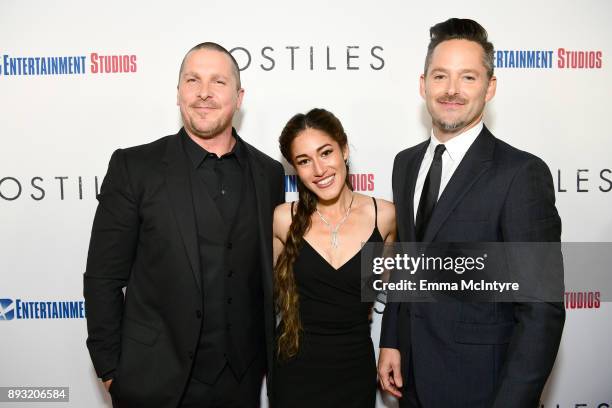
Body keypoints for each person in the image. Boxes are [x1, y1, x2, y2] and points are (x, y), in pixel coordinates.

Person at [83, 42, 285, 408]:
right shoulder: (135, 167)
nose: (204, 92)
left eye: (218, 82)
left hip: (242, 384)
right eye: (193, 80)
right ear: (178, 93)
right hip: (153, 383)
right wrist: (112, 372)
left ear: (239, 97)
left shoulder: (268, 173)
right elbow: (102, 278)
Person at [378, 18, 565, 407]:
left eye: (468, 78)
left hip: (483, 388)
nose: (451, 90)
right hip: (412, 380)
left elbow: (541, 309)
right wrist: (392, 340)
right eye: (440, 76)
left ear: (490, 87)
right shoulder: (405, 164)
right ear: (423, 83)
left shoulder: (521, 173)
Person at [272, 108, 396, 407]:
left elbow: (396, 298)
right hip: (294, 369)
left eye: (325, 152)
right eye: (304, 161)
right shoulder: (283, 219)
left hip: (354, 368)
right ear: (295, 168)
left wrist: (392, 347)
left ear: (343, 149)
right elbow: (261, 296)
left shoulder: (384, 216)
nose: (318, 169)